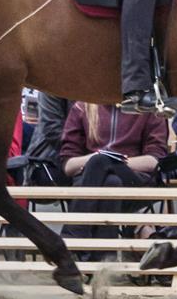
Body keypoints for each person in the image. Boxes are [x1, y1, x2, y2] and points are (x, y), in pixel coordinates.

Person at [58, 101, 169, 255]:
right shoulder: (82, 106)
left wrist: (109, 161)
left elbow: (154, 160)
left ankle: (75, 230)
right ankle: (103, 263)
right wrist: (97, 161)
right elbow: (69, 165)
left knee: (102, 162)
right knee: (111, 181)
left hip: (136, 181)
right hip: (91, 183)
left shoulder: (148, 107)